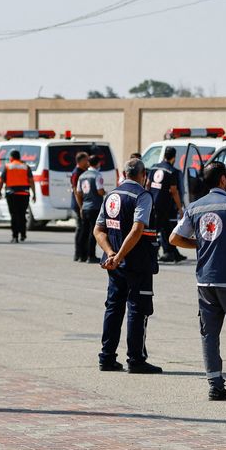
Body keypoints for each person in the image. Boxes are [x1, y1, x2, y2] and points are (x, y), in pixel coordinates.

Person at [170, 161, 226, 401]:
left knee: (209, 335)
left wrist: (200, 245)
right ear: (222, 180)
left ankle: (215, 386)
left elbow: (174, 238)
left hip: (205, 283)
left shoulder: (194, 207)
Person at [94, 158, 162, 374]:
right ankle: (136, 359)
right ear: (143, 176)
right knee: (137, 309)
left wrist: (111, 254)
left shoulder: (111, 196)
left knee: (113, 308)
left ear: (123, 174)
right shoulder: (142, 196)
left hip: (115, 265)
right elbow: (137, 229)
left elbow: (98, 230)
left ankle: (107, 357)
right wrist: (120, 256)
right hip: (137, 263)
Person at [146, 146, 186, 263]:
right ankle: (153, 252)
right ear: (174, 157)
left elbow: (148, 185)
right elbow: (174, 191)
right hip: (165, 206)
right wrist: (180, 208)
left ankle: (172, 252)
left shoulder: (154, 168)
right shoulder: (171, 171)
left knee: (163, 229)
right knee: (161, 229)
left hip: (153, 203)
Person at [0, 150, 36, 243]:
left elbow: (2, 180)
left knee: (14, 215)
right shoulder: (26, 167)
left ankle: (15, 236)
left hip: (11, 194)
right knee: (22, 214)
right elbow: (31, 181)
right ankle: (23, 234)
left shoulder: (8, 166)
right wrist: (34, 194)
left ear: (11, 157)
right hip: (24, 194)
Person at [76, 154, 105, 263]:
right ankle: (91, 255)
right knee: (94, 232)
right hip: (95, 206)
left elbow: (78, 192)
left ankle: (80, 255)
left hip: (85, 206)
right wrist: (106, 193)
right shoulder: (97, 175)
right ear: (98, 163)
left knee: (84, 231)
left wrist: (81, 206)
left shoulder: (82, 176)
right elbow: (99, 191)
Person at [70, 151, 90, 261]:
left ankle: (83, 253)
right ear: (81, 161)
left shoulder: (83, 171)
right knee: (81, 229)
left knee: (84, 229)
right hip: (79, 204)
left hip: (83, 204)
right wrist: (81, 206)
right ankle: (78, 253)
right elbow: (76, 191)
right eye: (86, 160)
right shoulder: (77, 173)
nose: (88, 162)